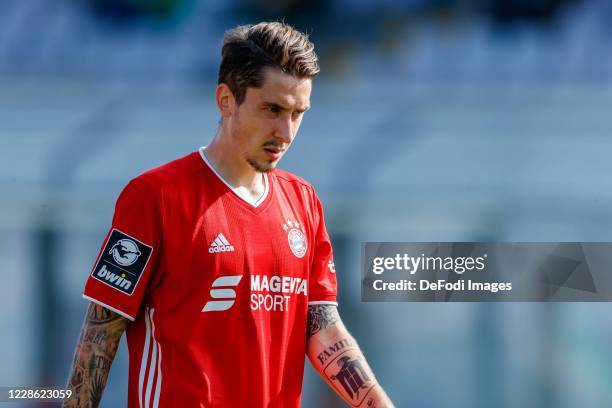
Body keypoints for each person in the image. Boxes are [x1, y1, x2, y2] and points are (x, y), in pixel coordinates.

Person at [64, 21, 394, 408]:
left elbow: (321, 325)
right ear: (226, 99)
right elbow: (100, 333)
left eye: (298, 113)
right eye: (272, 109)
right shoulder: (155, 196)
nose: (285, 131)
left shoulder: (303, 202)